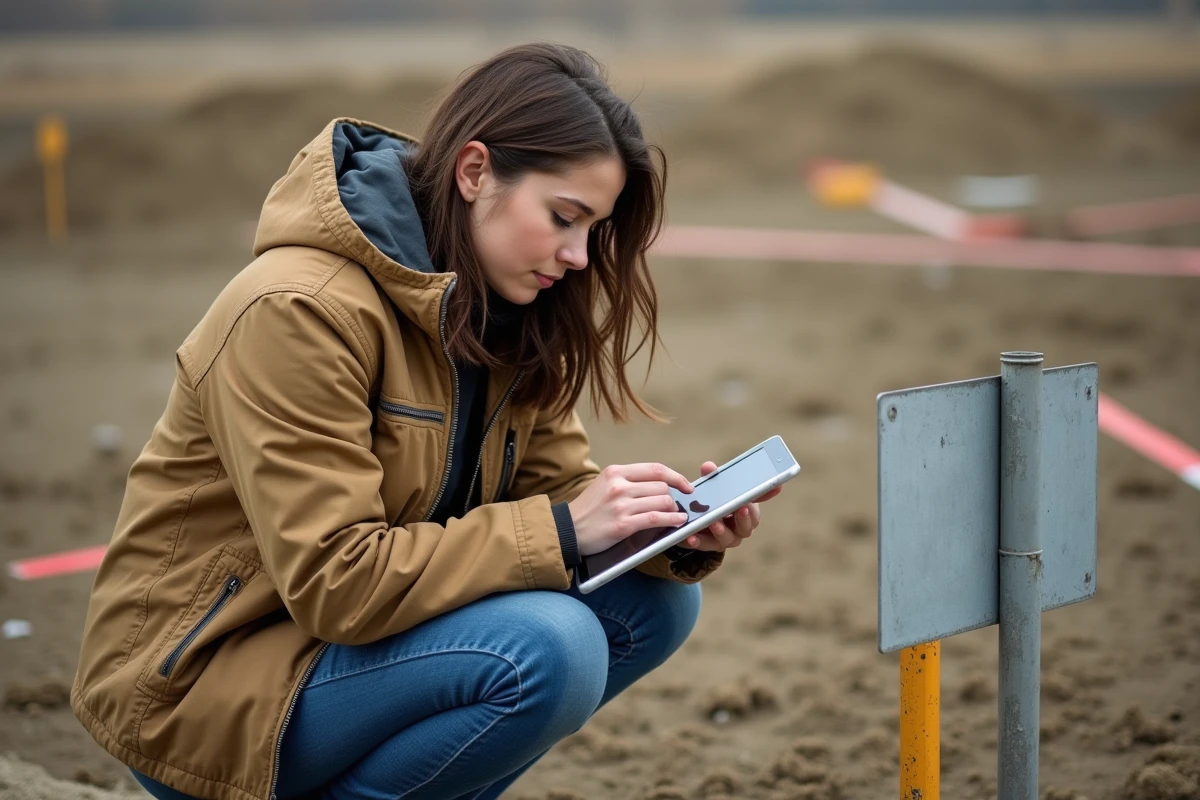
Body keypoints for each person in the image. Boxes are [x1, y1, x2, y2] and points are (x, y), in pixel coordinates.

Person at [71, 43, 779, 800]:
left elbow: (553, 483)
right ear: (474, 172)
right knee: (551, 650)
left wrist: (662, 529)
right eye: (563, 218)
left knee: (658, 600)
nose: (578, 256)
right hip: (210, 687)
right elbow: (336, 580)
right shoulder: (297, 310)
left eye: (593, 231)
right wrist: (570, 530)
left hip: (352, 653)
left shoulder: (506, 304)